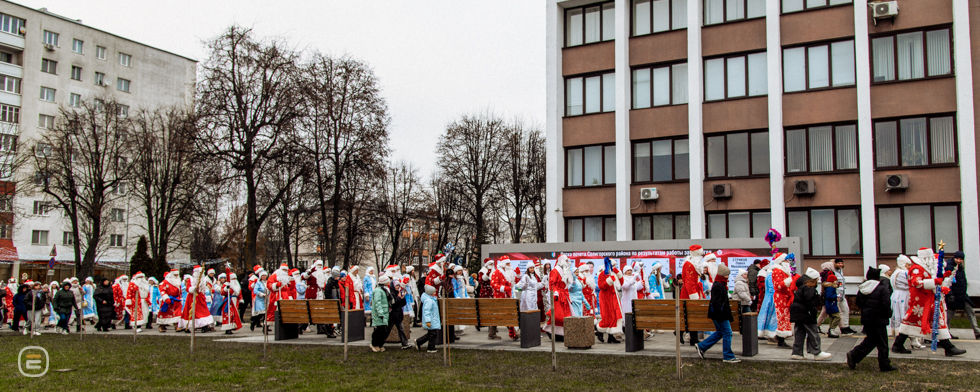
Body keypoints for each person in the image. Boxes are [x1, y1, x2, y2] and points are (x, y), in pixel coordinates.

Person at [893, 247, 966, 356]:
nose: (932, 259)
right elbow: (916, 283)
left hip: (929, 300)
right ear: (925, 257)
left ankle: (948, 346)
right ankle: (948, 347)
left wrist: (941, 286)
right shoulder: (917, 268)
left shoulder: (926, 268)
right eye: (930, 257)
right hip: (920, 301)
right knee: (914, 320)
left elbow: (932, 283)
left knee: (934, 321)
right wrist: (935, 282)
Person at [846, 267, 898, 372]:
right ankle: (884, 365)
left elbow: (858, 303)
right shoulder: (882, 288)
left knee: (871, 341)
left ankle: (854, 355)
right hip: (879, 320)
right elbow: (885, 304)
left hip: (867, 319)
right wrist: (889, 314)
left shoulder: (862, 287)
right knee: (882, 343)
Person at [695, 263, 740, 363]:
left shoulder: (720, 284)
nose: (728, 276)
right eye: (726, 275)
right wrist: (721, 315)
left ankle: (702, 346)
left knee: (720, 333)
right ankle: (728, 356)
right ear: (722, 275)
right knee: (727, 333)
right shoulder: (719, 286)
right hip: (720, 314)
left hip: (718, 314)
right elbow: (717, 303)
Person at [789, 268, 832, 360]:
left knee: (800, 332)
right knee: (813, 332)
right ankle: (816, 352)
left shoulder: (801, 286)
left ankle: (797, 352)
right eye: (817, 279)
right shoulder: (809, 288)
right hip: (806, 313)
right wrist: (813, 312)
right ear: (813, 279)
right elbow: (810, 302)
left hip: (797, 312)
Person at [945, 251, 980, 340]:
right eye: (957, 258)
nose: (959, 260)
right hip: (953, 295)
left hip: (962, 295)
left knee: (970, 311)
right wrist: (950, 294)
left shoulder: (960, 267)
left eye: (961, 259)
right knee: (949, 315)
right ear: (954, 257)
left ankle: (977, 332)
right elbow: (947, 281)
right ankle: (945, 333)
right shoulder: (949, 266)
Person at [817, 259, 856, 335]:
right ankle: (840, 329)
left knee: (830, 313)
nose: (839, 265)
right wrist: (834, 295)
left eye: (841, 263)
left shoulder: (832, 273)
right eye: (838, 263)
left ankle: (841, 328)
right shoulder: (829, 274)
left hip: (835, 296)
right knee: (837, 314)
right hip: (832, 297)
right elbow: (827, 286)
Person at [179, 265, 215, 333]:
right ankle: (188, 326)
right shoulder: (190, 280)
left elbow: (205, 289)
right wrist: (193, 289)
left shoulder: (204, 280)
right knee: (191, 312)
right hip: (192, 298)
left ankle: (204, 326)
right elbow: (188, 288)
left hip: (200, 297)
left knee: (203, 312)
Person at [770, 253, 795, 347]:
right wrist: (789, 281)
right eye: (786, 260)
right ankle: (780, 339)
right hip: (780, 297)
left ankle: (781, 338)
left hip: (785, 296)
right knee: (782, 317)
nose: (787, 262)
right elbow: (778, 285)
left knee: (785, 317)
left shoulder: (784, 271)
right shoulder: (777, 271)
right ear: (781, 261)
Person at [596, 257, 623, 344]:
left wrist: (619, 274)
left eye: (615, 265)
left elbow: (621, 284)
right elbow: (601, 286)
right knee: (607, 316)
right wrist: (609, 280)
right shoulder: (602, 274)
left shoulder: (614, 273)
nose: (614, 267)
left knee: (615, 316)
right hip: (606, 298)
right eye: (613, 265)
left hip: (614, 297)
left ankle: (611, 336)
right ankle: (599, 331)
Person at [415, 285, 441, 353]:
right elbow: (427, 312)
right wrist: (428, 321)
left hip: (433, 319)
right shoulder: (429, 301)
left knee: (430, 334)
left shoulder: (432, 300)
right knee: (433, 334)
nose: (435, 292)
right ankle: (431, 347)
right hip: (431, 320)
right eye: (434, 291)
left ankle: (419, 341)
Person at [370, 275, 392, 352]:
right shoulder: (378, 291)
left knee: (383, 330)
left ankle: (379, 344)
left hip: (384, 313)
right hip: (379, 314)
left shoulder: (384, 290)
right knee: (378, 330)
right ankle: (375, 344)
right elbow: (377, 303)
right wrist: (380, 313)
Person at [389, 277, 411, 349]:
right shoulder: (391, 294)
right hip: (392, 315)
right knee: (387, 330)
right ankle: (380, 343)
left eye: (398, 285)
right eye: (396, 285)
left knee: (401, 329)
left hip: (398, 315)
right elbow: (393, 304)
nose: (397, 287)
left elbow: (402, 304)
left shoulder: (399, 293)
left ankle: (405, 343)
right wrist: (399, 298)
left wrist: (402, 298)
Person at [757, 266, 778, 343]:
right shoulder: (770, 276)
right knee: (771, 317)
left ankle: (770, 334)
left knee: (767, 316)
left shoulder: (769, 275)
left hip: (768, 298)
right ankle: (772, 334)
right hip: (772, 299)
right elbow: (772, 289)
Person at [221, 267, 244, 334]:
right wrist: (226, 289)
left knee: (234, 314)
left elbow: (239, 293)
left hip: (235, 301)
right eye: (233, 279)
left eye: (235, 278)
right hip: (228, 300)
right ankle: (227, 328)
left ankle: (233, 326)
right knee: (228, 314)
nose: (234, 280)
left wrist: (241, 299)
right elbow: (222, 292)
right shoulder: (226, 285)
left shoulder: (237, 285)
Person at [821, 265, 842, 339]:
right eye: (835, 280)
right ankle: (832, 329)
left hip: (831, 305)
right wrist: (837, 296)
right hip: (831, 305)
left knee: (832, 318)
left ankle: (831, 330)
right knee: (837, 317)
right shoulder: (830, 288)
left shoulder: (829, 287)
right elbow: (829, 296)